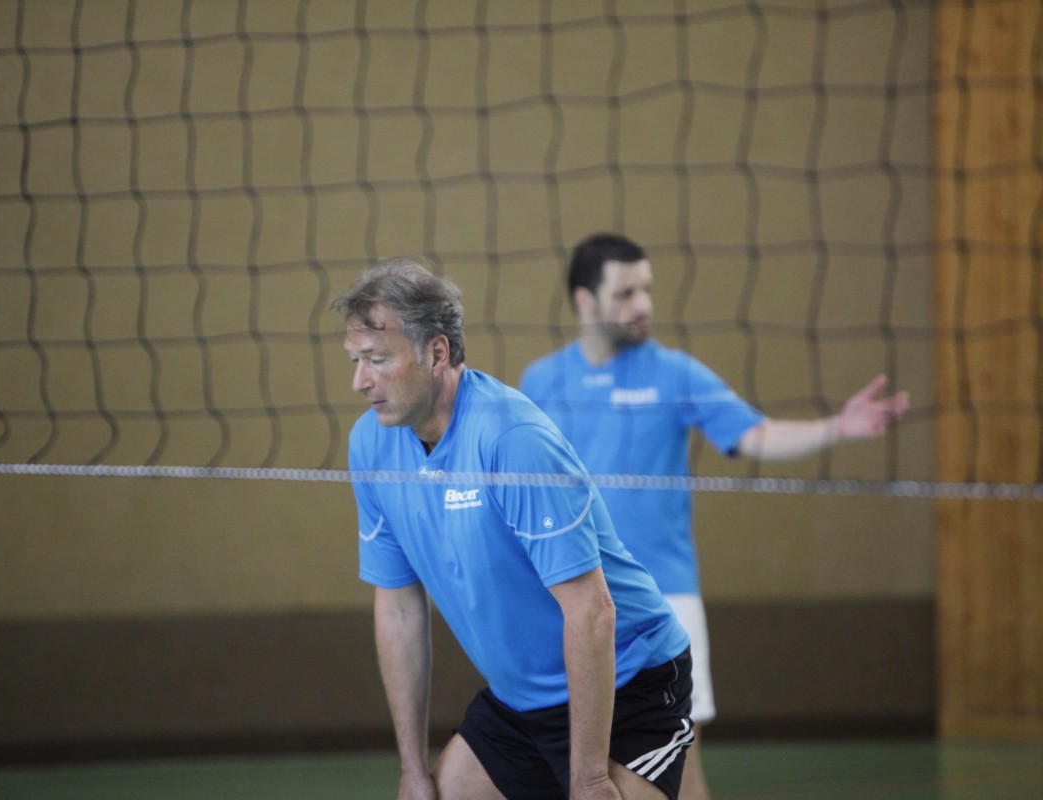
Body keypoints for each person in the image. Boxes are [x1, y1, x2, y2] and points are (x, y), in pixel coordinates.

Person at [519, 233, 911, 800]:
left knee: (680, 775)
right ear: (585, 301)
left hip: (664, 598)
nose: (644, 304)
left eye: (647, 289)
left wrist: (837, 428)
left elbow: (755, 434)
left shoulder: (674, 373)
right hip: (573, 599)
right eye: (626, 293)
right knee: (578, 769)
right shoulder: (541, 382)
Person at [334, 257, 697, 800]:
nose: (360, 381)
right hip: (519, 705)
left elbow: (592, 611)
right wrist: (412, 769)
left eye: (377, 360)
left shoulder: (511, 438)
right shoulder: (371, 444)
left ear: (437, 352)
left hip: (628, 685)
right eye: (356, 360)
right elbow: (399, 608)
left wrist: (589, 779)